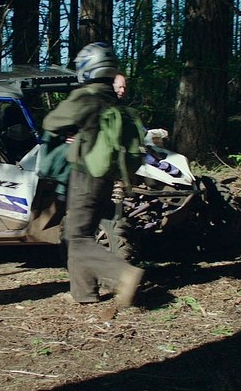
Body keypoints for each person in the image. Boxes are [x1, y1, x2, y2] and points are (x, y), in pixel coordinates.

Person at [43, 42, 143, 307]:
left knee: (76, 237)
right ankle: (84, 294)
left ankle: (123, 275)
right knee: (81, 233)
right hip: (106, 178)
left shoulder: (86, 96)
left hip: (85, 176)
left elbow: (51, 122)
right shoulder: (112, 98)